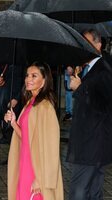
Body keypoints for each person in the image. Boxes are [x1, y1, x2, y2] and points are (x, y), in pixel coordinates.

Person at [5, 62, 64, 200]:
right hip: (24, 164)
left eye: (34, 76)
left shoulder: (46, 107)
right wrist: (13, 122)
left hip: (37, 168)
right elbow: (26, 137)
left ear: (44, 81)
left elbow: (51, 148)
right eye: (27, 75)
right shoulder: (30, 102)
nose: (28, 79)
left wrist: (40, 178)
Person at [67, 29, 112, 200]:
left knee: (78, 191)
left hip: (92, 143)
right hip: (94, 144)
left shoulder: (104, 70)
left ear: (98, 45)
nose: (82, 47)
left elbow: (103, 105)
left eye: (86, 43)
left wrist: (80, 88)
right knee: (94, 192)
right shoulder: (93, 66)